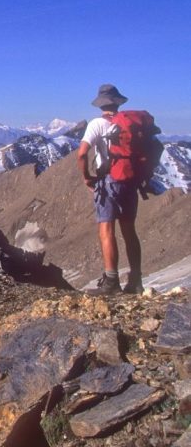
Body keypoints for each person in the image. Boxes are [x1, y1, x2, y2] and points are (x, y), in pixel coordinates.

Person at [77, 83, 143, 295]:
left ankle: (111, 282)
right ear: (117, 103)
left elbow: (81, 154)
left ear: (100, 104)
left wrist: (87, 177)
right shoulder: (128, 125)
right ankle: (136, 281)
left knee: (107, 231)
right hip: (130, 182)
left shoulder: (97, 124)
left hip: (108, 181)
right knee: (129, 231)